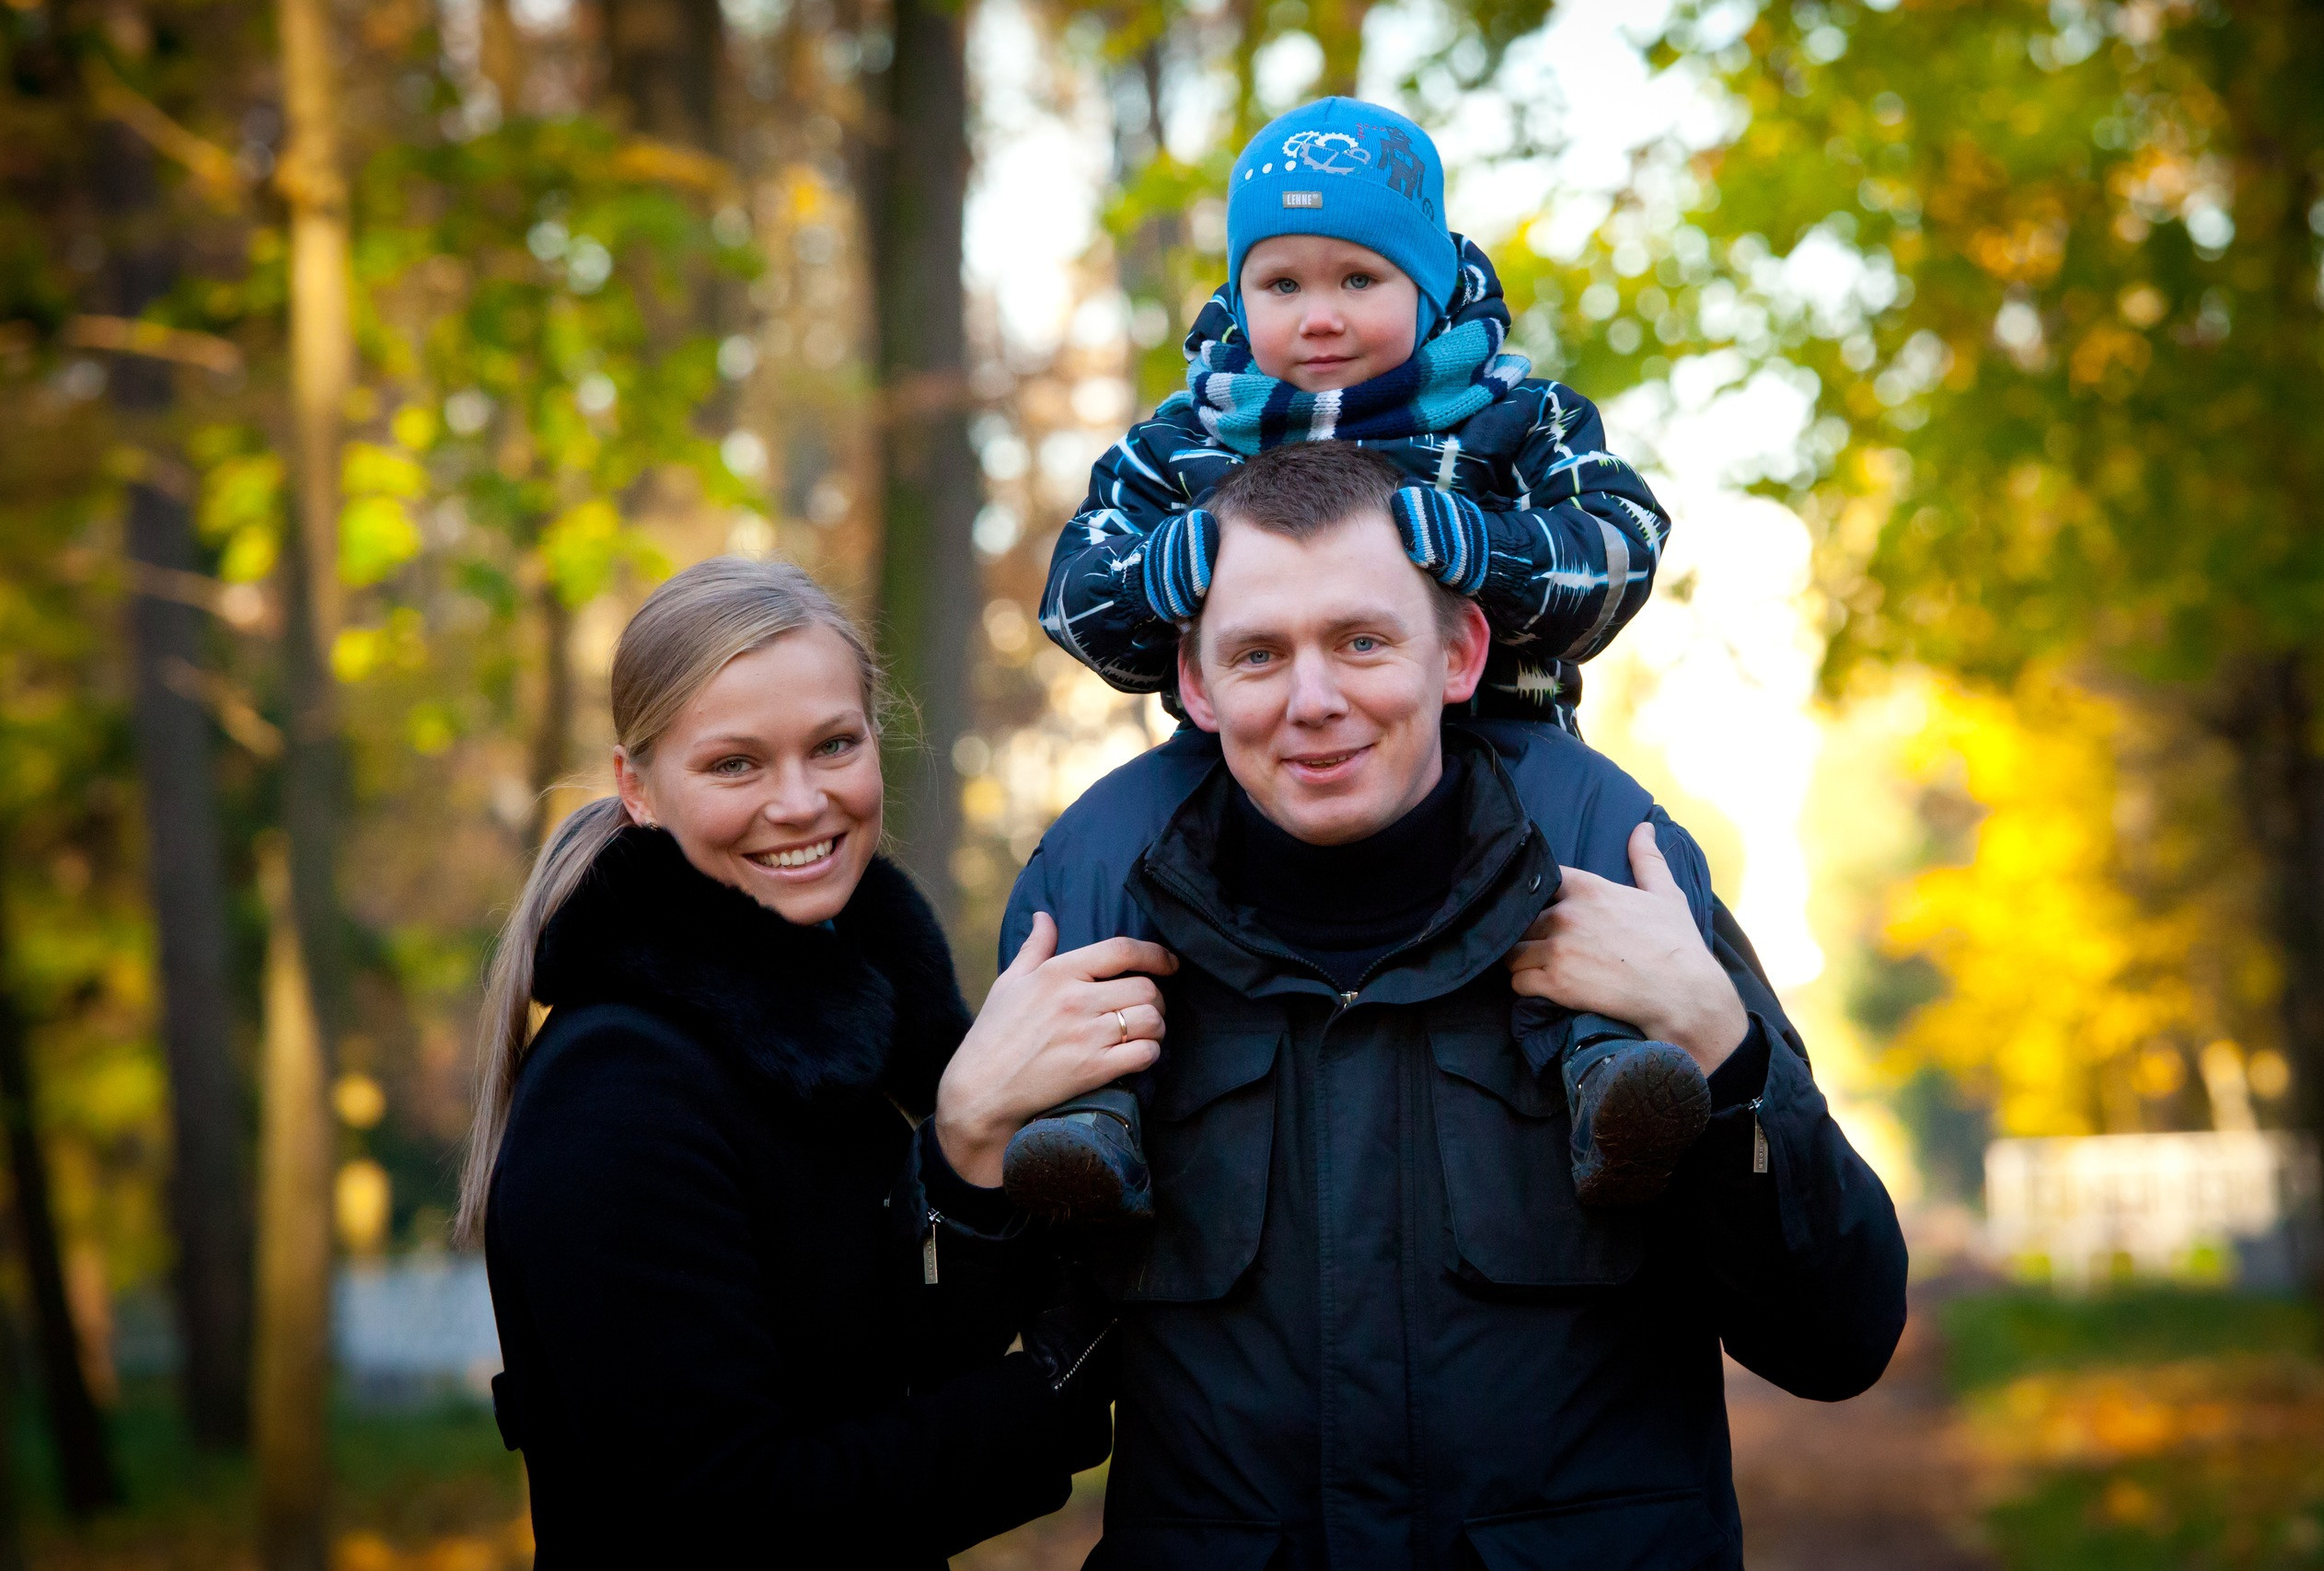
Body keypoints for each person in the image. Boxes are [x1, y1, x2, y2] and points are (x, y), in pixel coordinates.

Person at [986, 444, 1907, 1567]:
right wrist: (960, 1148)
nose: (1313, 701)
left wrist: (1724, 1052)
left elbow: (1838, 1338)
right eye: (1259, 654)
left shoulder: (1631, 896)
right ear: (1196, 684)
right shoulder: (1092, 944)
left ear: (1461, 653)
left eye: (1361, 642)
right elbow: (964, 1384)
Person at [1010, 97, 1691, 1220]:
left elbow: (1623, 548)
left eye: (1359, 279)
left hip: (1502, 742)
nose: (1318, 316)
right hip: (1243, 753)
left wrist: (1494, 552)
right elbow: (1071, 602)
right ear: (1238, 294)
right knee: (1103, 845)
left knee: (1598, 835)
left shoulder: (1513, 418)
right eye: (1281, 284)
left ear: (1428, 282)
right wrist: (1157, 575)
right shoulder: (1185, 440)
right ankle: (1091, 1112)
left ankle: (1610, 1071)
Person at [457, 558, 1174, 1567]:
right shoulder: (618, 1090)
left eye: (834, 744)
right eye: (735, 764)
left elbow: (867, 1365)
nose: (800, 803)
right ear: (637, 788)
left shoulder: (825, 1042)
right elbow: (731, 1518)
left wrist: (969, 1146)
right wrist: (1047, 1397)